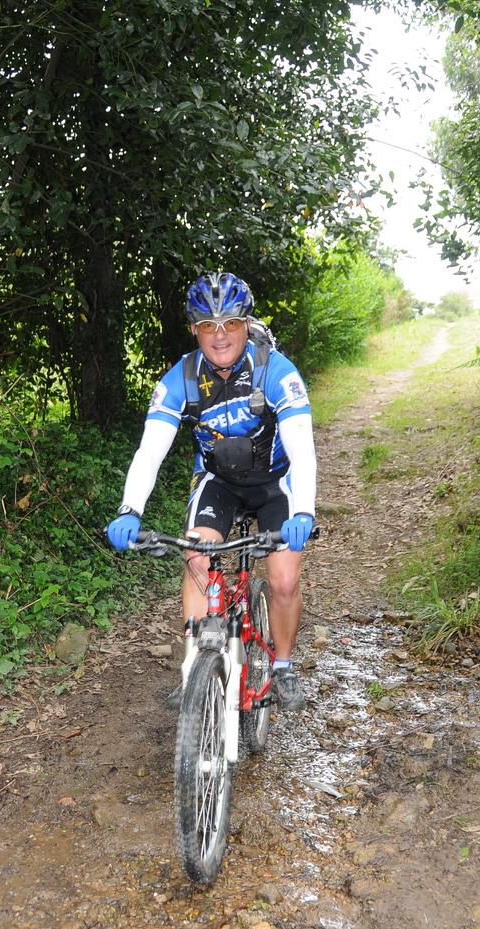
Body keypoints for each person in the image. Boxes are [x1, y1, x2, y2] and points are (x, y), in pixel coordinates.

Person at [106, 272, 316, 711]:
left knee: (283, 578)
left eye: (231, 323)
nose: (220, 336)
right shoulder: (181, 379)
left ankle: (282, 666)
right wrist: (129, 509)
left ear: (246, 324)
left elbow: (301, 449)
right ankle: (194, 671)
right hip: (218, 482)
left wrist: (303, 511)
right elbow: (150, 451)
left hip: (276, 482)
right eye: (208, 325)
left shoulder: (275, 371)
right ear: (194, 330)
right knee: (197, 556)